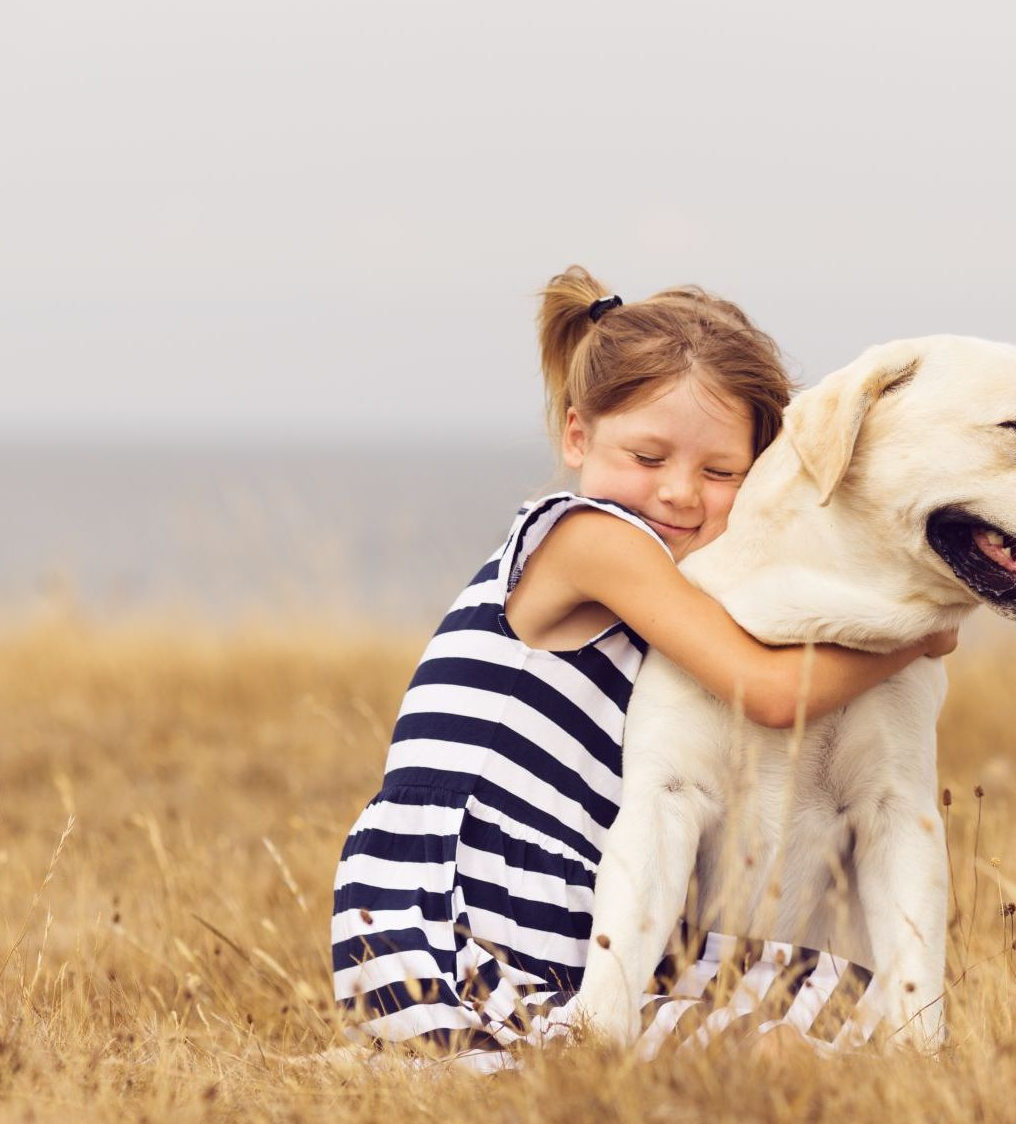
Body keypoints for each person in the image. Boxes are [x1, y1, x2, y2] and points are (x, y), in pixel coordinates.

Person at [330, 265, 954, 1064]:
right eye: (647, 456)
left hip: (553, 906)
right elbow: (768, 691)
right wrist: (915, 628)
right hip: (467, 909)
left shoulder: (677, 572)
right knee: (772, 1052)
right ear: (577, 435)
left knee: (850, 1008)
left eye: (720, 471)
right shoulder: (591, 538)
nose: (679, 494)